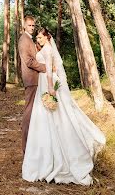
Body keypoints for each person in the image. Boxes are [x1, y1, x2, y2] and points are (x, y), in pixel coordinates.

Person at [22, 27, 106, 185]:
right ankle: (47, 154)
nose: (38, 40)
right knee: (47, 117)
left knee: (53, 117)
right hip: (44, 83)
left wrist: (50, 88)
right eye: (38, 38)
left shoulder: (47, 51)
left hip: (47, 83)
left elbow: (48, 71)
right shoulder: (45, 48)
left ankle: (56, 158)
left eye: (40, 37)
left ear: (47, 38)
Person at [18, 16, 46, 153]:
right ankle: (26, 148)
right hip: (31, 80)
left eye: (33, 25)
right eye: (29, 25)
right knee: (29, 112)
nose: (32, 28)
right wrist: (44, 67)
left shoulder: (30, 39)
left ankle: (33, 144)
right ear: (24, 26)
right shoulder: (24, 40)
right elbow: (29, 61)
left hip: (36, 80)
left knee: (35, 112)